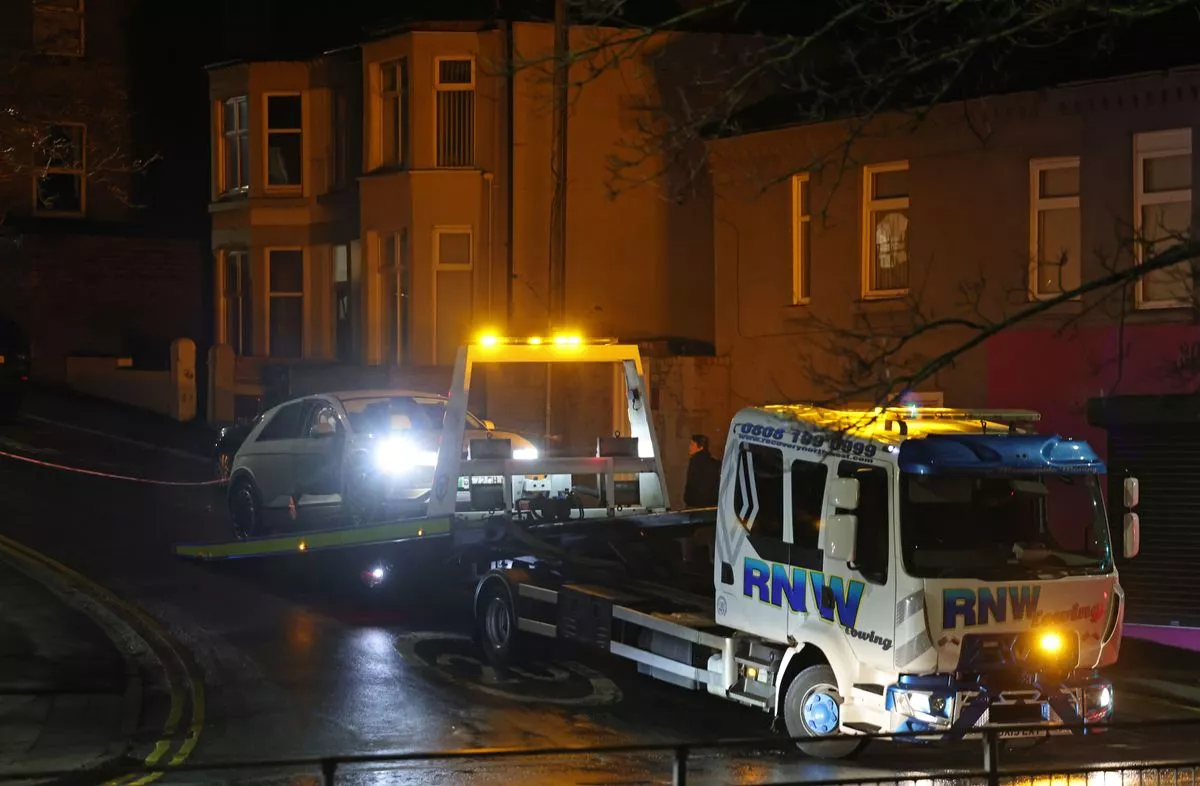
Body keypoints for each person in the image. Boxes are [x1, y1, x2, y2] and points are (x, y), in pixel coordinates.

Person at [683, 434, 721, 509]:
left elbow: (692, 485)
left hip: (695, 506)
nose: (689, 447)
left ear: (700, 447)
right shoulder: (713, 462)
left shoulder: (696, 461)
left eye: (692, 444)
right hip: (711, 506)